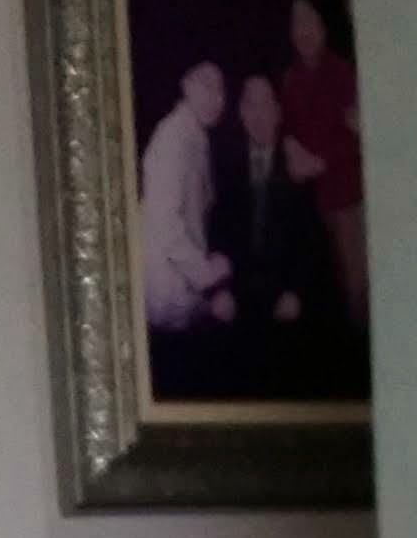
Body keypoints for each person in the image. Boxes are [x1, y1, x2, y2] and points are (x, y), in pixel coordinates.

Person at [214, 71, 330, 345]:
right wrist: (220, 289)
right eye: (250, 105)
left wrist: (296, 292)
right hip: (238, 297)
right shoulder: (226, 167)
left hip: (286, 297)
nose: (258, 114)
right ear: (241, 113)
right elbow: (218, 232)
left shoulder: (297, 165)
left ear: (277, 113)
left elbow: (311, 240)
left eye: (265, 104)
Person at [278, 0, 366, 326]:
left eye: (310, 21)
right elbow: (286, 126)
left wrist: (321, 162)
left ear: (324, 27)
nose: (303, 31)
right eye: (296, 23)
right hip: (311, 207)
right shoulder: (289, 80)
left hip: (347, 203)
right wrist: (289, 145)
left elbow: (359, 139)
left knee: (357, 294)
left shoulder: (345, 74)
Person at [138, 58, 233, 334]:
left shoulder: (196, 137)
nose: (214, 97)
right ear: (186, 85)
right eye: (205, 84)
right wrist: (209, 280)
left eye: (220, 89)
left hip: (184, 292)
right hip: (167, 296)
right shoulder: (172, 138)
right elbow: (165, 224)